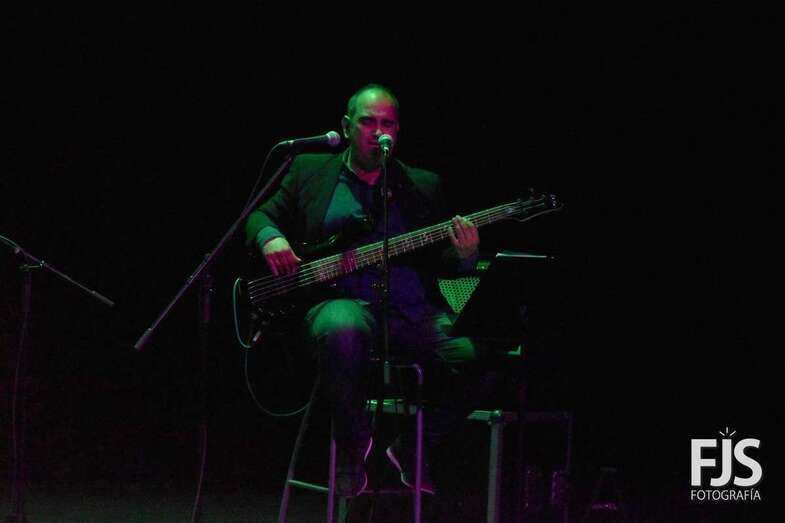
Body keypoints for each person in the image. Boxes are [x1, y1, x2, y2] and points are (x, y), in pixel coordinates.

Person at [245, 84, 496, 496]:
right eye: (368, 122)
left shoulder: (422, 185)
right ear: (347, 126)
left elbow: (443, 263)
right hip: (337, 303)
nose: (378, 132)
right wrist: (270, 237)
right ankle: (351, 447)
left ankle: (413, 446)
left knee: (481, 359)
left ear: (397, 132)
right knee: (343, 328)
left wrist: (465, 255)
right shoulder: (309, 170)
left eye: (387, 124)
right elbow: (259, 216)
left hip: (408, 312)